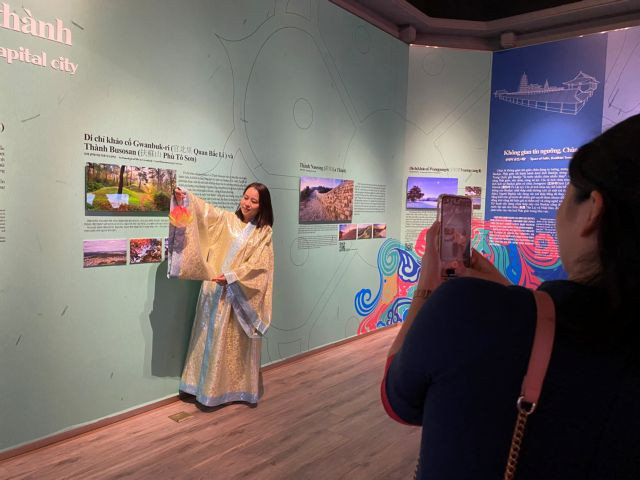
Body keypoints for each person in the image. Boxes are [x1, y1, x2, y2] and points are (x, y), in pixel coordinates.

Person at [381, 114, 640, 479]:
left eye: (565, 196)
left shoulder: (464, 308)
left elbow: (397, 398)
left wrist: (427, 285)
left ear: (593, 211)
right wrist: (515, 295)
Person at [168, 182, 274, 408]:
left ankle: (229, 390)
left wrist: (233, 276)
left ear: (262, 206)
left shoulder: (263, 233)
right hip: (213, 291)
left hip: (237, 296)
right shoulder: (226, 219)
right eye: (245, 197)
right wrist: (185, 198)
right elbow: (204, 212)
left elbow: (260, 267)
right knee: (207, 339)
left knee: (232, 347)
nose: (247, 203)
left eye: (254, 201)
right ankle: (200, 387)